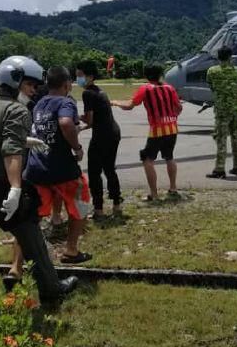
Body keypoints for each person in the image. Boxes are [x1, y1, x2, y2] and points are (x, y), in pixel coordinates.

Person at [0, 55, 77, 301]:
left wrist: (28, 140)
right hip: (3, 187)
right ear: (15, 81)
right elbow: (10, 150)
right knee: (33, 241)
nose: (34, 91)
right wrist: (15, 188)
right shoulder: (17, 110)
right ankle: (52, 290)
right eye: (31, 85)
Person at [25, 66, 92, 264]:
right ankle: (71, 250)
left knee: (34, 213)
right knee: (80, 203)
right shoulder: (66, 102)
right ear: (66, 84)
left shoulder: (39, 104)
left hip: (37, 167)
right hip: (62, 167)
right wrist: (77, 147)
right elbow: (64, 123)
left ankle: (32, 253)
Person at [111, 64, 182, 201]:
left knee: (147, 158)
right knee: (169, 157)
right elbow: (178, 107)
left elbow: (129, 106)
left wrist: (115, 102)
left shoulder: (145, 88)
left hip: (157, 129)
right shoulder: (169, 88)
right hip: (172, 128)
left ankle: (154, 194)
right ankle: (173, 188)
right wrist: (172, 118)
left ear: (146, 75)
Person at [77, 60, 123, 220]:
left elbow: (90, 121)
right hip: (113, 132)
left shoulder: (87, 93)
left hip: (102, 135)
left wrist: (78, 124)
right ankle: (117, 204)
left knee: (94, 172)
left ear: (89, 76)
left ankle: (98, 209)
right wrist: (82, 121)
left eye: (80, 75)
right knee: (110, 169)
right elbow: (97, 118)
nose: (78, 79)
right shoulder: (100, 91)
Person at [205, 45, 237, 178]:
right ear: (230, 57)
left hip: (222, 109)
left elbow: (211, 86)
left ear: (218, 57)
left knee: (221, 138)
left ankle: (220, 169)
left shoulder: (212, 71)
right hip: (236, 109)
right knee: (236, 138)